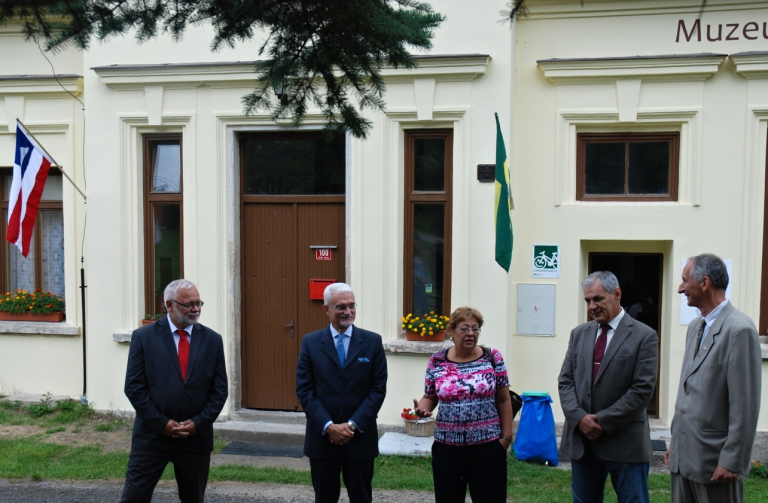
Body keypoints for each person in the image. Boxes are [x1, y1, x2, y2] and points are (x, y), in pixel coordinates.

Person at [120, 279, 228, 503]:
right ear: (169, 305)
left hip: (194, 439)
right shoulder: (144, 337)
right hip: (152, 436)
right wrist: (161, 423)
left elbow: (219, 391)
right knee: (134, 497)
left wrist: (198, 423)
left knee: (193, 498)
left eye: (198, 303)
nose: (196, 309)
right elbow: (134, 387)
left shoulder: (212, 340)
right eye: (189, 304)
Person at [665, 254, 761, 503]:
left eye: (685, 280)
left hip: (715, 463)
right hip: (684, 459)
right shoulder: (696, 326)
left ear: (705, 283)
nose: (680, 288)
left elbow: (745, 404)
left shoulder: (740, 329)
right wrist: (676, 442)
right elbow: (687, 391)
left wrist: (732, 461)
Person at [558, 271, 658, 503]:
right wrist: (580, 418)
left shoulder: (644, 336)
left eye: (598, 299)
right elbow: (566, 381)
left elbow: (642, 389)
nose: (592, 306)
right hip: (583, 441)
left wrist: (602, 421)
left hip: (625, 442)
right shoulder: (579, 334)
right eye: (588, 301)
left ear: (617, 294)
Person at [295, 282, 388, 503]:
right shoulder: (311, 343)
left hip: (360, 439)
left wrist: (352, 425)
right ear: (326, 309)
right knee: (324, 498)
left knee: (362, 498)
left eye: (351, 305)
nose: (348, 312)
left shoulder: (372, 342)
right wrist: (329, 426)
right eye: (341, 307)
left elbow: (377, 390)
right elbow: (305, 390)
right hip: (322, 440)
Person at [412, 306, 513, 503]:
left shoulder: (493, 358)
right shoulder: (437, 361)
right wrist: (423, 408)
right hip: (447, 448)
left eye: (475, 329)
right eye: (464, 329)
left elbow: (504, 399)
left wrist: (506, 439)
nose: (470, 334)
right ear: (451, 331)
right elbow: (431, 396)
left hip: (488, 446)